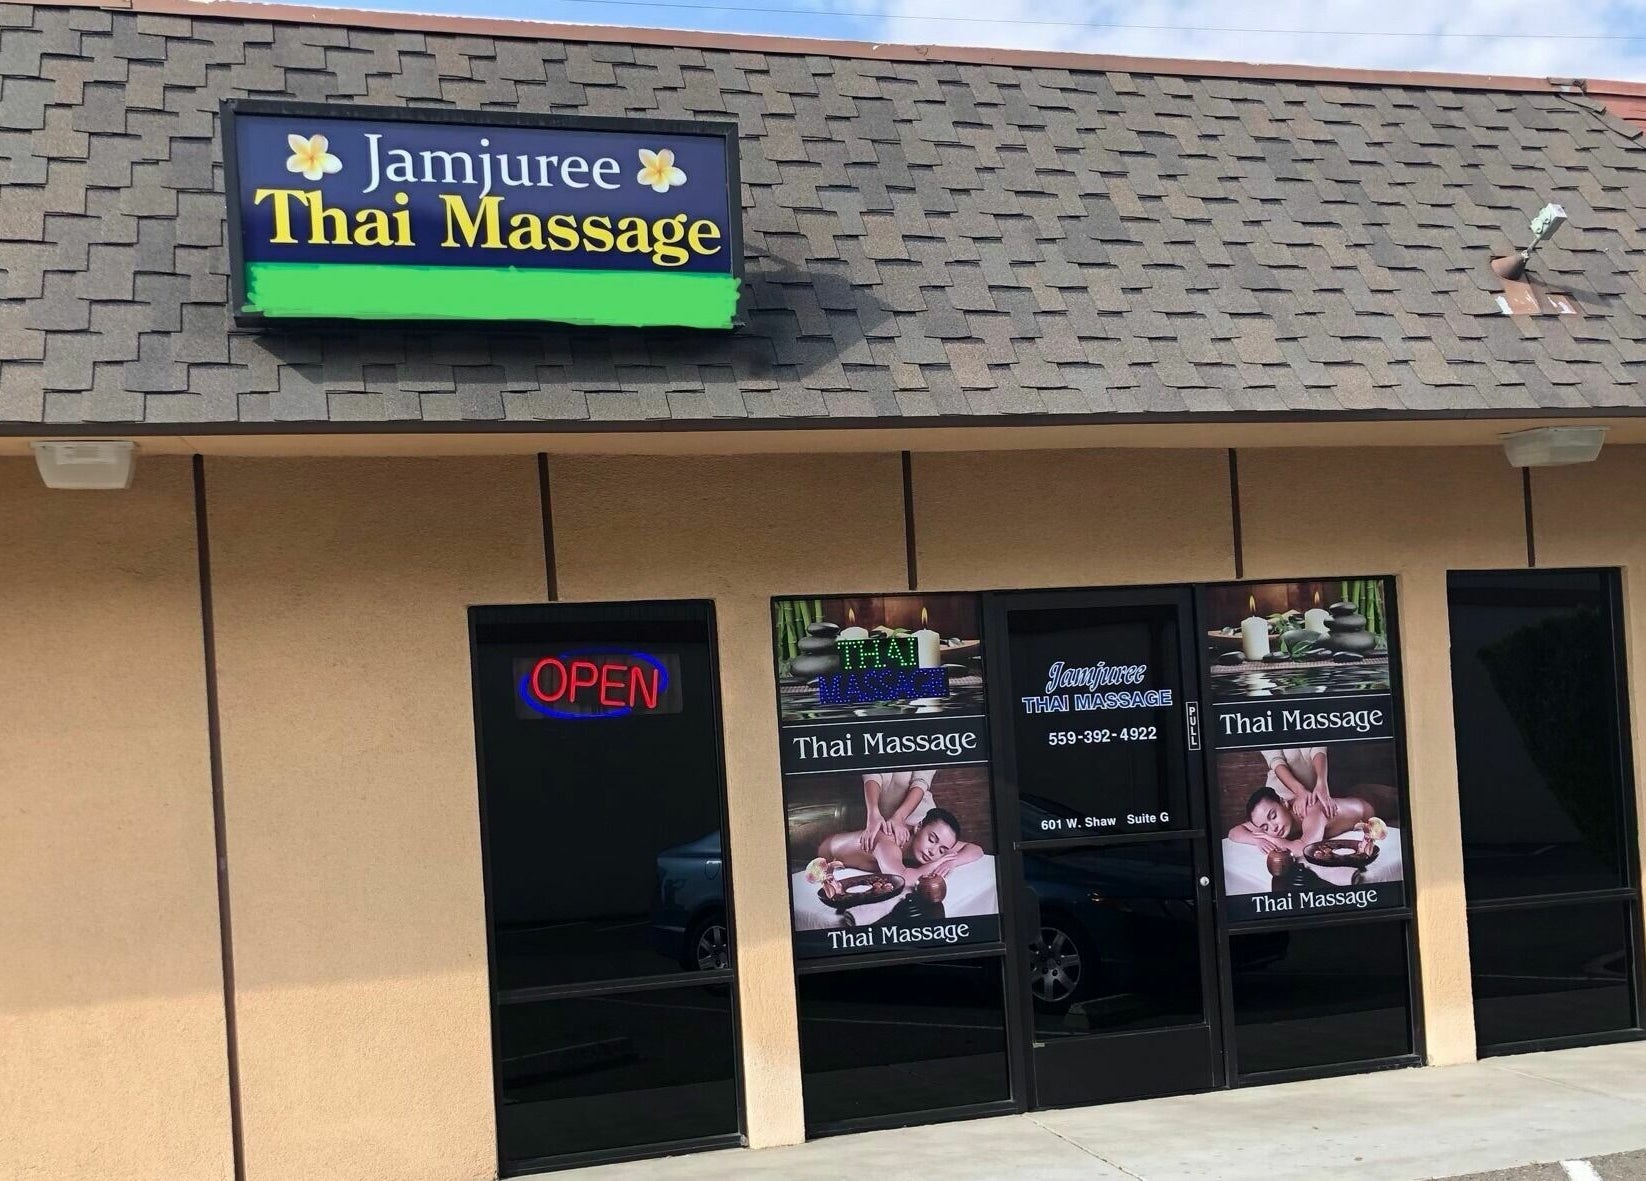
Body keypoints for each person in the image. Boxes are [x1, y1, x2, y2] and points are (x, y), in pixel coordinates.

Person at [815, 806, 981, 897]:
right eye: (932, 839)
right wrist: (938, 862)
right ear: (918, 827)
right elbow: (902, 879)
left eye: (942, 850)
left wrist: (952, 860)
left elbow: (977, 849)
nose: (933, 851)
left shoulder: (935, 842)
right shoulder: (887, 842)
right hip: (826, 850)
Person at [1229, 785, 1375, 856]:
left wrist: (1271, 839)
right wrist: (1257, 839)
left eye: (1273, 816)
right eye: (1264, 827)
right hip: (1348, 796)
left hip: (1371, 805)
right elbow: (1233, 832)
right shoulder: (1273, 821)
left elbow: (1306, 848)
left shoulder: (1313, 811)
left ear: (1284, 802)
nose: (1273, 828)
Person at [855, 768, 934, 853]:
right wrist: (873, 813)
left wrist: (900, 817)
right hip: (879, 817)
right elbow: (871, 773)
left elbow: (921, 782)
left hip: (917, 817)